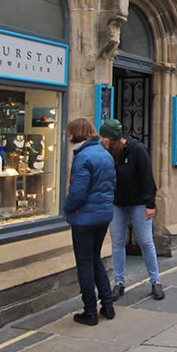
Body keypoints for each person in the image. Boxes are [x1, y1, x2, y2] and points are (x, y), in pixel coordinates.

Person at [100, 119, 164, 301]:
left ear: (113, 138)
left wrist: (150, 204)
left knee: (145, 241)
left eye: (104, 137)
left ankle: (156, 281)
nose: (101, 140)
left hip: (138, 203)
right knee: (118, 242)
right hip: (117, 204)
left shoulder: (137, 150)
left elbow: (147, 179)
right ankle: (119, 283)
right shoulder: (108, 152)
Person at [63, 118, 118, 325]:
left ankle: (90, 311)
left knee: (85, 263)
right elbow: (112, 184)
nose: (68, 137)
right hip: (103, 216)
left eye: (69, 133)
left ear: (77, 134)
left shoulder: (82, 157)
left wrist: (66, 208)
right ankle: (108, 306)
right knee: (95, 259)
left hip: (85, 218)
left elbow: (78, 193)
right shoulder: (105, 154)